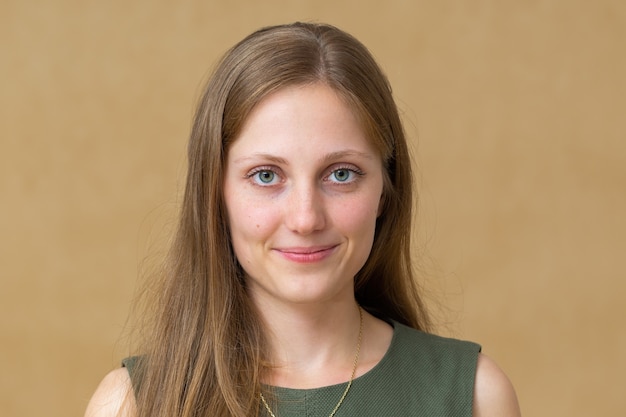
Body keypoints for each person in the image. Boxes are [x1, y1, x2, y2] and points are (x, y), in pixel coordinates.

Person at [85, 22, 521, 417]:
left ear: (386, 190)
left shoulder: (476, 397)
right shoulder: (131, 404)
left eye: (341, 174)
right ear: (216, 195)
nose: (306, 217)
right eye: (267, 176)